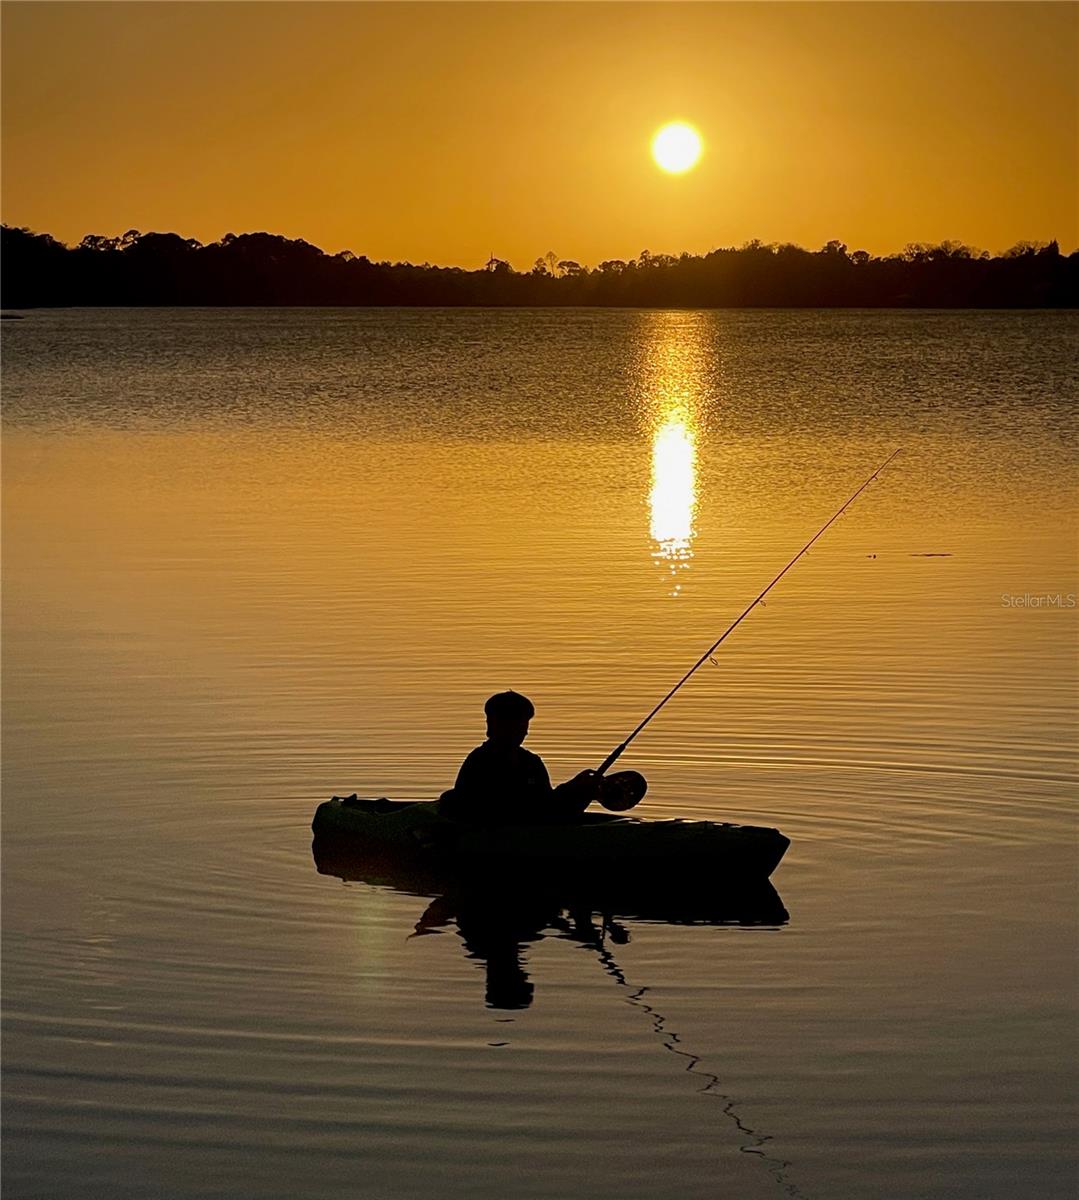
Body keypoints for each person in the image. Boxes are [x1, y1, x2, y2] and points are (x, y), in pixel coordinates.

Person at [438, 691, 601, 825]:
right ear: (493, 724)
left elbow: (546, 803)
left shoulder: (531, 762)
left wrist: (577, 787)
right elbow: (506, 809)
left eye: (524, 724)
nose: (524, 731)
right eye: (517, 724)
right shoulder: (480, 761)